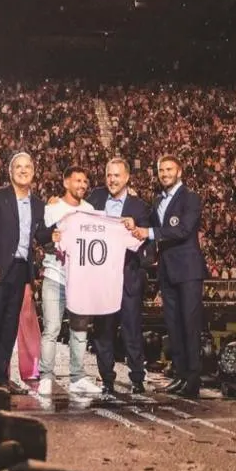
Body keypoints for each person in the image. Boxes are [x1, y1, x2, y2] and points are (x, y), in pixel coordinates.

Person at [0, 152, 52, 394]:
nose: (23, 170)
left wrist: (56, 234)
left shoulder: (38, 204)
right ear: (10, 172)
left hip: (20, 270)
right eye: (18, 166)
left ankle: (1, 377)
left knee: (9, 326)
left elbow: (40, 235)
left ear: (33, 171)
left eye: (27, 166)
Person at [133, 155, 207, 398]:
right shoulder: (157, 200)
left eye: (169, 169)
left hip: (187, 271)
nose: (164, 173)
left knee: (189, 325)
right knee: (173, 326)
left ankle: (193, 380)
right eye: (161, 170)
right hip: (167, 270)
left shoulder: (191, 197)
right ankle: (180, 375)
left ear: (179, 171)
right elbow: (147, 222)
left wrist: (151, 232)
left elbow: (183, 230)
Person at [87, 158, 152, 396]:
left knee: (131, 330)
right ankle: (107, 379)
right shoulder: (94, 198)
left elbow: (147, 239)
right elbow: (75, 210)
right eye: (108, 175)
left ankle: (137, 377)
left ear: (126, 178)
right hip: (102, 278)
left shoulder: (139, 207)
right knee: (103, 331)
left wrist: (134, 228)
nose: (112, 179)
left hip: (127, 278)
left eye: (117, 175)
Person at [38, 166, 102, 397]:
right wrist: (51, 237)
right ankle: (45, 375)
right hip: (55, 276)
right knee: (52, 329)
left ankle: (77, 377)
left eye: (85, 181)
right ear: (66, 183)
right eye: (77, 181)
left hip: (81, 280)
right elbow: (41, 238)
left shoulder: (91, 210)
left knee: (79, 330)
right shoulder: (52, 208)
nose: (82, 185)